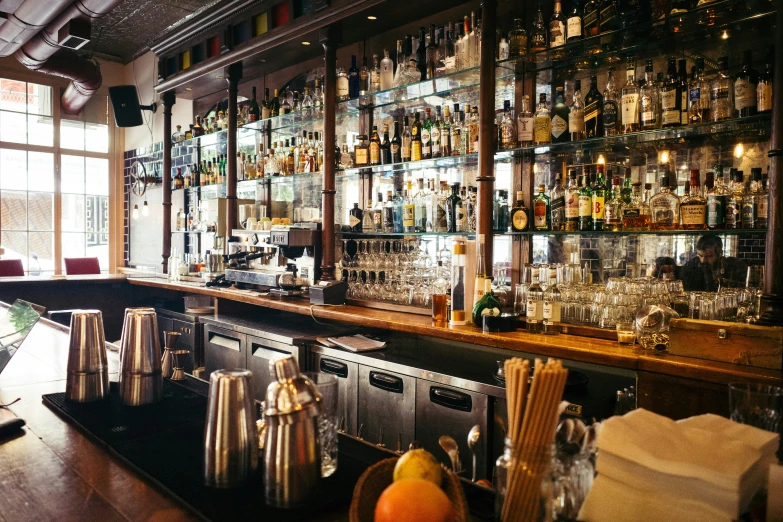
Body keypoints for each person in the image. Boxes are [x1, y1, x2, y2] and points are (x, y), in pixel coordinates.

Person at [681, 235, 748, 291]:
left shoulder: (735, 266)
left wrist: (725, 282)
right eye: (700, 255)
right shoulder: (692, 266)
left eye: (709, 256)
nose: (703, 260)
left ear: (720, 253)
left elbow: (747, 288)